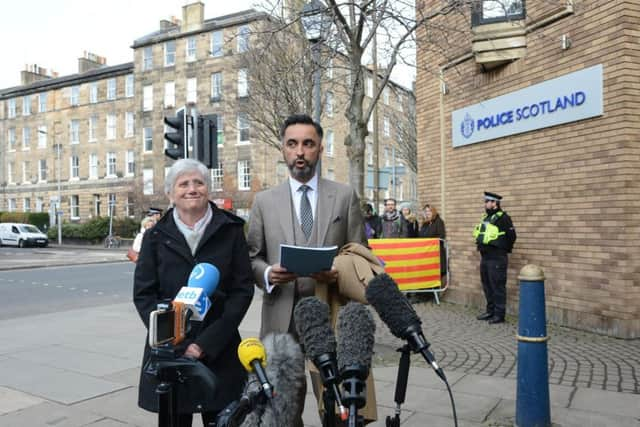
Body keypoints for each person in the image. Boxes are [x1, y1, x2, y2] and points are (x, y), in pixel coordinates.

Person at [246, 114, 375, 426]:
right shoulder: (264, 201)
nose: (300, 151)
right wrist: (267, 275)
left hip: (330, 312)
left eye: (308, 144)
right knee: (282, 410)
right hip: (281, 317)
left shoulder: (344, 196)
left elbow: (360, 253)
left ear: (319, 149)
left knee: (339, 406)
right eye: (293, 144)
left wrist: (338, 273)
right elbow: (252, 257)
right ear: (283, 150)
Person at [133, 159, 254, 426]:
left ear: (208, 189)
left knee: (223, 420)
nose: (192, 189)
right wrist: (172, 340)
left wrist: (205, 345)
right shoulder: (155, 237)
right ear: (170, 193)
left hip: (220, 349)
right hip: (170, 354)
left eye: (198, 182)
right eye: (183, 184)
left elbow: (242, 291)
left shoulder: (231, 231)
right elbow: (144, 294)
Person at [473, 191, 517, 324]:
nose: (485, 204)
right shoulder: (486, 218)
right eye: (485, 201)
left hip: (497, 257)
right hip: (485, 257)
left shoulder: (504, 218)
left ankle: (499, 314)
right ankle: (490, 311)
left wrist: (503, 249)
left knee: (497, 286)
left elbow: (512, 236)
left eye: (488, 202)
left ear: (495, 203)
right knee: (487, 285)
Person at [418, 204, 447, 277]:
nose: (427, 213)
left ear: (433, 211)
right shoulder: (425, 223)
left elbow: (441, 236)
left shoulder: (439, 221)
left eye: (429, 211)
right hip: (426, 252)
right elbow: (420, 236)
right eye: (426, 211)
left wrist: (430, 242)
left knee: (436, 274)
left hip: (436, 252)